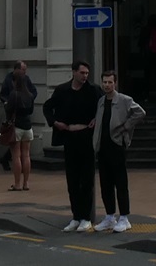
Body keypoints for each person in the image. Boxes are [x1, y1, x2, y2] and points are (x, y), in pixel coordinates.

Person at [43, 61, 101, 232]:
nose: (85, 76)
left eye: (87, 73)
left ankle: (86, 218)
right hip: (69, 136)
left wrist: (96, 119)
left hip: (86, 137)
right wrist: (55, 123)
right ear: (74, 72)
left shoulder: (93, 90)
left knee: (86, 179)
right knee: (72, 179)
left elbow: (104, 106)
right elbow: (47, 107)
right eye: (82, 73)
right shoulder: (62, 90)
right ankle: (76, 216)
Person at [91, 71, 144, 233]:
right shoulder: (101, 101)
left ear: (115, 83)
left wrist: (126, 127)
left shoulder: (124, 100)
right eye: (104, 82)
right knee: (105, 183)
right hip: (102, 146)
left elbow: (140, 112)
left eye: (110, 82)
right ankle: (109, 217)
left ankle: (124, 217)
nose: (107, 85)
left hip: (117, 145)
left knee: (120, 183)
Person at [0, 61, 37, 193]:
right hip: (28, 126)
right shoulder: (30, 96)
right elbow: (31, 110)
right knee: (26, 156)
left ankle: (17, 184)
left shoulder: (14, 94)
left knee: (16, 156)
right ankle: (26, 183)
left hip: (16, 126)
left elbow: (8, 109)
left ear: (15, 83)